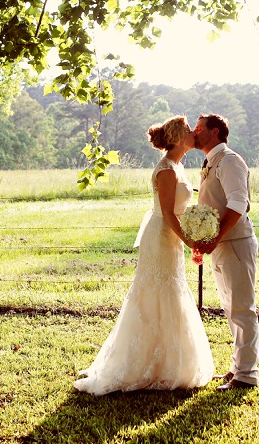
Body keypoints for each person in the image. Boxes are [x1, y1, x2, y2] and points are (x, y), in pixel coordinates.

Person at [74, 116, 214, 395]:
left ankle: (167, 363)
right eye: (188, 130)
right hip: (162, 236)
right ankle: (140, 364)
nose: (193, 134)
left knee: (171, 290)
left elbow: (180, 210)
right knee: (154, 292)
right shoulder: (165, 170)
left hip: (171, 236)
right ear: (177, 137)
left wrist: (196, 228)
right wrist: (189, 240)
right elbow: (166, 213)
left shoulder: (178, 166)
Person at [193, 113, 259, 391]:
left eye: (198, 129)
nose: (193, 133)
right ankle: (237, 368)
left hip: (234, 242)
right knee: (231, 308)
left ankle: (247, 374)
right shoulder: (210, 162)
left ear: (215, 132)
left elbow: (238, 203)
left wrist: (216, 236)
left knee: (242, 308)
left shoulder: (230, 160)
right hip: (221, 244)